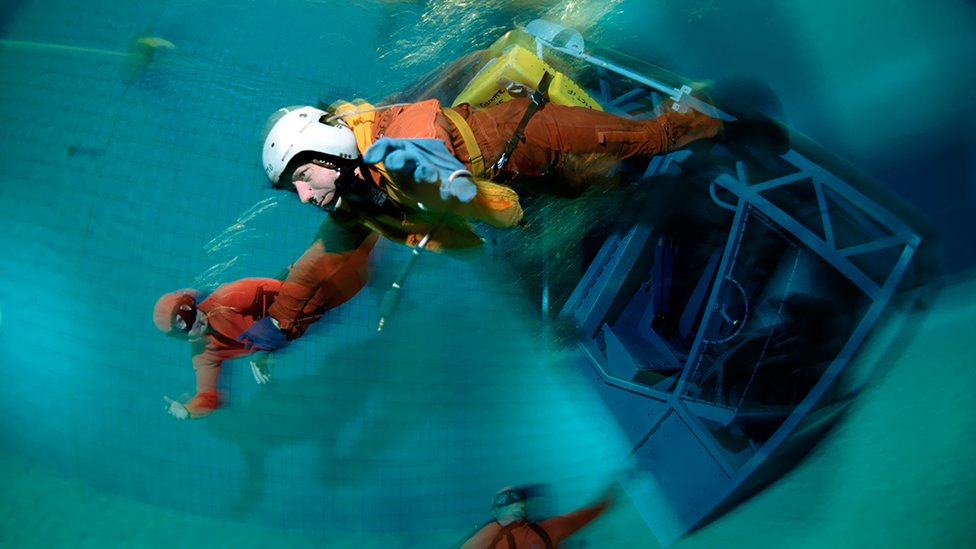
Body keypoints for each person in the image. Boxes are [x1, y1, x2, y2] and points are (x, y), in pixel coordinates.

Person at [239, 64, 789, 352]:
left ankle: (717, 119)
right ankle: (628, 176)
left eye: (305, 178)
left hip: (523, 134)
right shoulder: (357, 190)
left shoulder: (393, 143)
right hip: (508, 174)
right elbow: (316, 263)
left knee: (638, 138)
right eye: (298, 191)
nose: (307, 197)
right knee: (580, 187)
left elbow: (425, 148)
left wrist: (449, 187)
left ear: (327, 149)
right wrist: (283, 325)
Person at [153, 234, 376, 420]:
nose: (195, 320)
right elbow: (209, 397)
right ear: (180, 337)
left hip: (317, 287)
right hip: (306, 319)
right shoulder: (203, 353)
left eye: (189, 310)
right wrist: (187, 411)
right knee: (365, 263)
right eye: (184, 325)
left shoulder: (230, 296)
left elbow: (294, 290)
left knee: (364, 252)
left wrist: (264, 343)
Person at [458, 485, 614, 549]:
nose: (515, 506)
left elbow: (582, 517)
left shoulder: (487, 534)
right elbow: (583, 516)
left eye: (517, 502)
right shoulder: (488, 534)